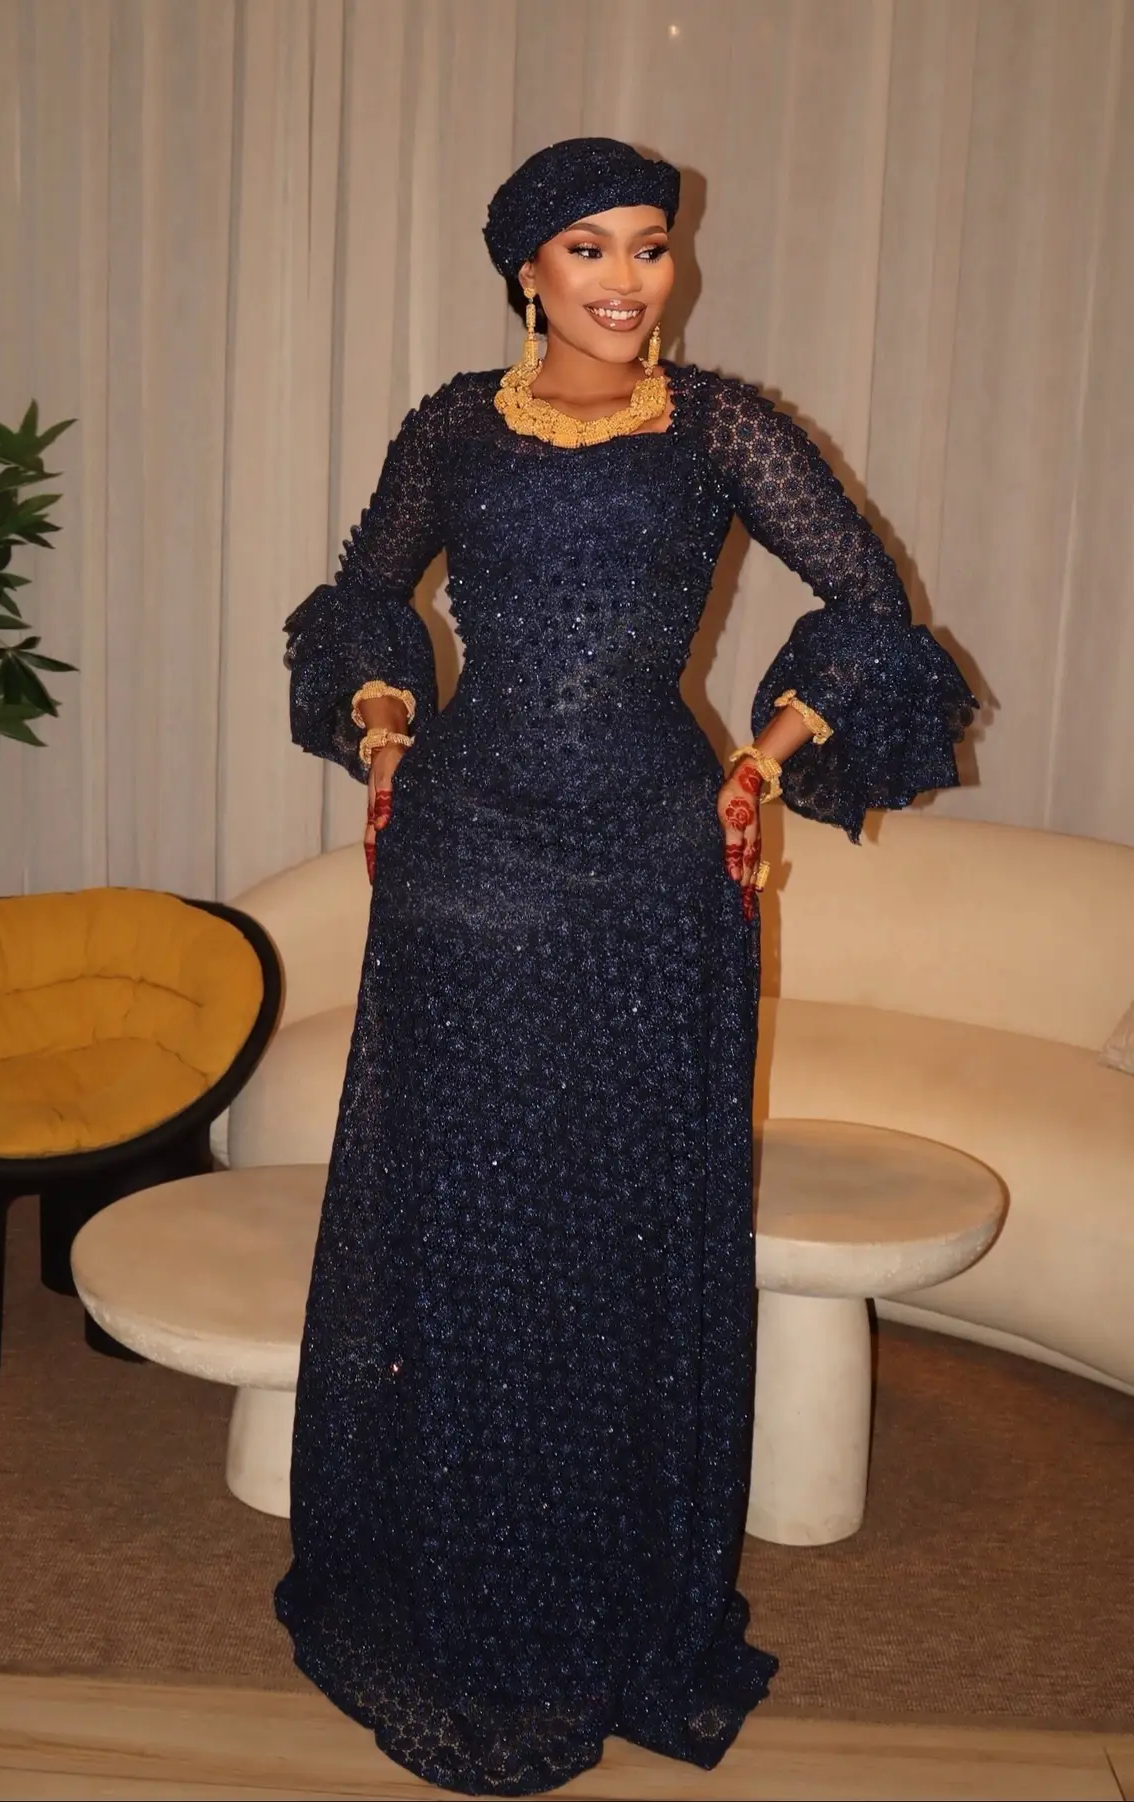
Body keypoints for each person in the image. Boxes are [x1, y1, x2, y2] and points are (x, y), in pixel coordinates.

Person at [275, 137, 977, 1796]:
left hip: (653, 865)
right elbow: (362, 602)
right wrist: (386, 732)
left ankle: (604, 1597)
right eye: (585, 247)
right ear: (525, 270)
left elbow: (871, 609)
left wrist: (766, 758)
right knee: (464, 1213)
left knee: (621, 1219)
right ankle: (453, 1578)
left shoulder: (722, 428)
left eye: (648, 245)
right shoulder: (453, 429)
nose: (624, 277)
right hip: (462, 862)